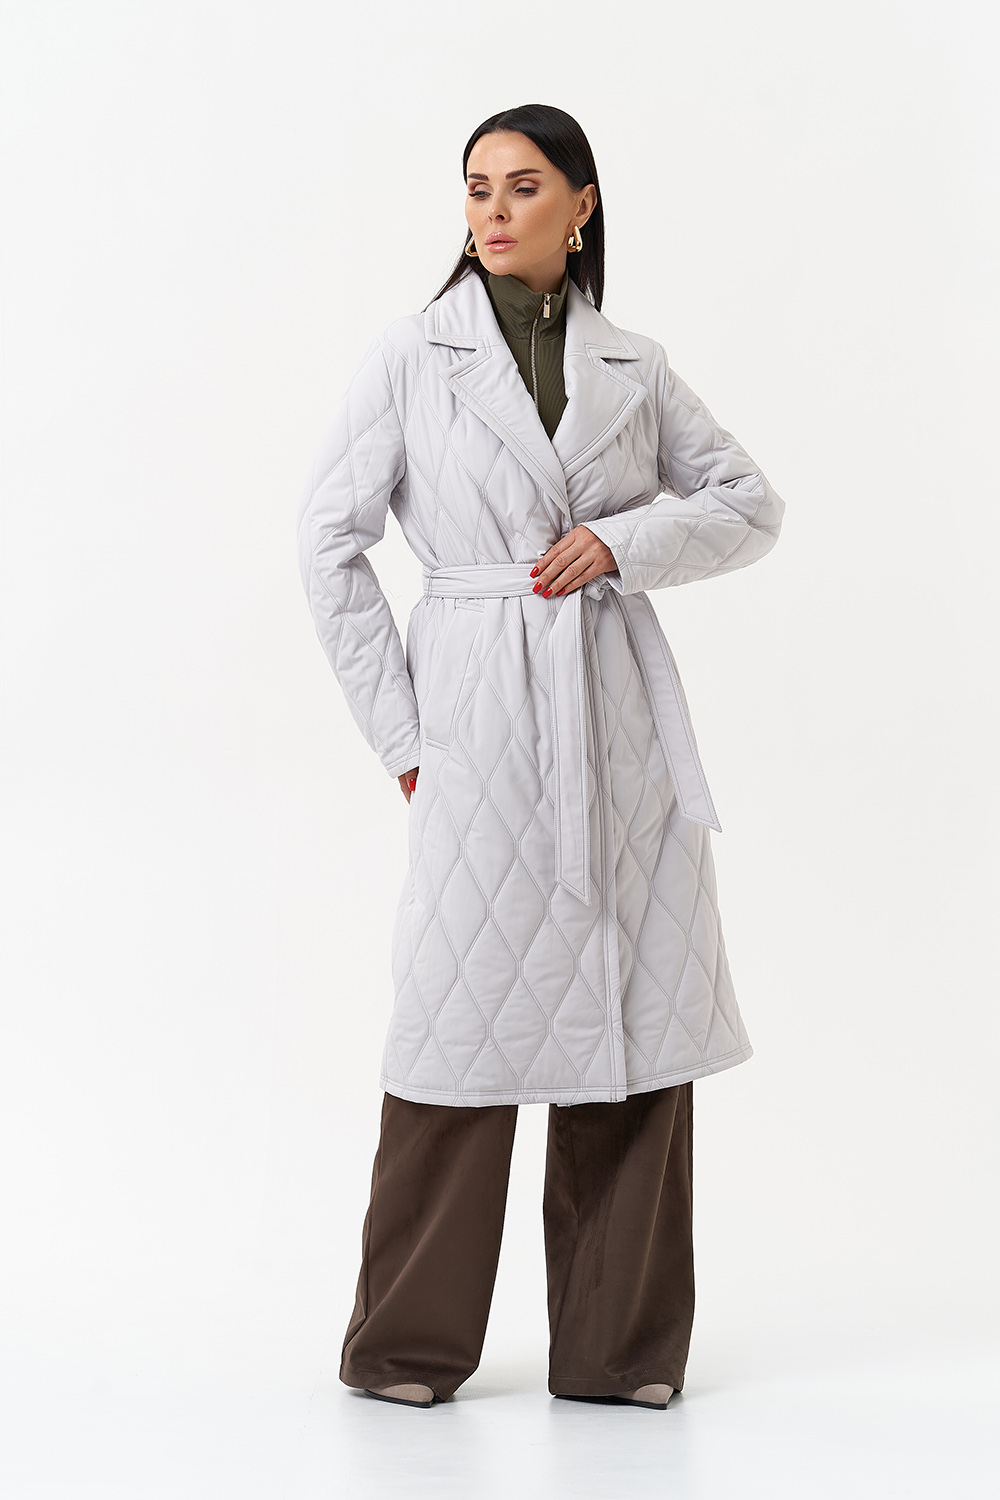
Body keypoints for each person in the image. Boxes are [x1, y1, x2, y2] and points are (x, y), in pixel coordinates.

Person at [296, 102, 785, 1410]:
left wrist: (628, 542)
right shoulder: (415, 355)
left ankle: (620, 1352)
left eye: (522, 186)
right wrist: (402, 733)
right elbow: (327, 542)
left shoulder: (635, 363)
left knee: (636, 1012)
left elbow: (749, 504)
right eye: (476, 189)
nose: (494, 210)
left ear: (582, 204)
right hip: (477, 710)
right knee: (459, 1012)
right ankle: (406, 1347)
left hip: (614, 712)